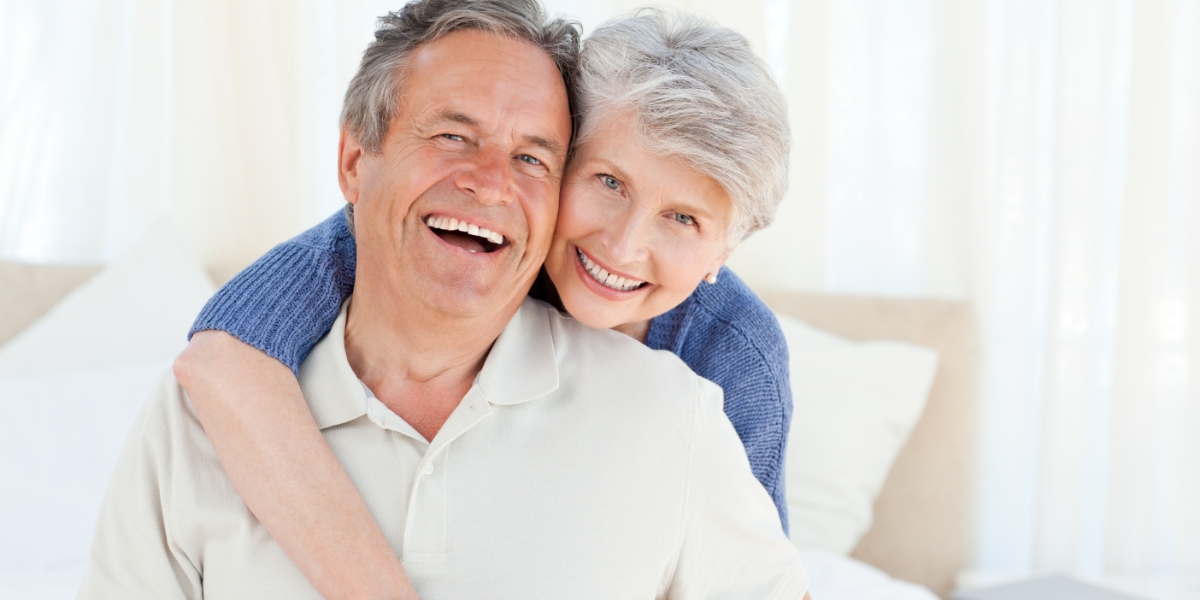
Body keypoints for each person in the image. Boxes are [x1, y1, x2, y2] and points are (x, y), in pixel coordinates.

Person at [80, 0, 808, 598]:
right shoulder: (387, 248)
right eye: (608, 182)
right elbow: (226, 351)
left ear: (724, 252)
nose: (620, 245)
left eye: (684, 219)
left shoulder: (714, 377)